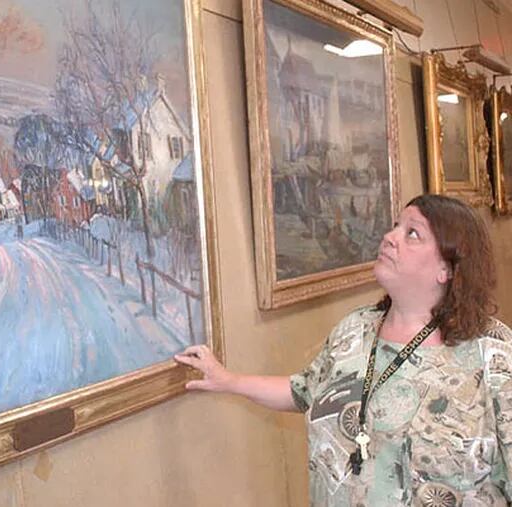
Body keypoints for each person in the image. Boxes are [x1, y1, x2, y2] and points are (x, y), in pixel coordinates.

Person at [175, 194, 512, 506]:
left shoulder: (491, 351)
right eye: (396, 225)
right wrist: (227, 380)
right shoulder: (355, 329)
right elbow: (304, 391)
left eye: (412, 233)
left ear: (447, 269)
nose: (390, 237)